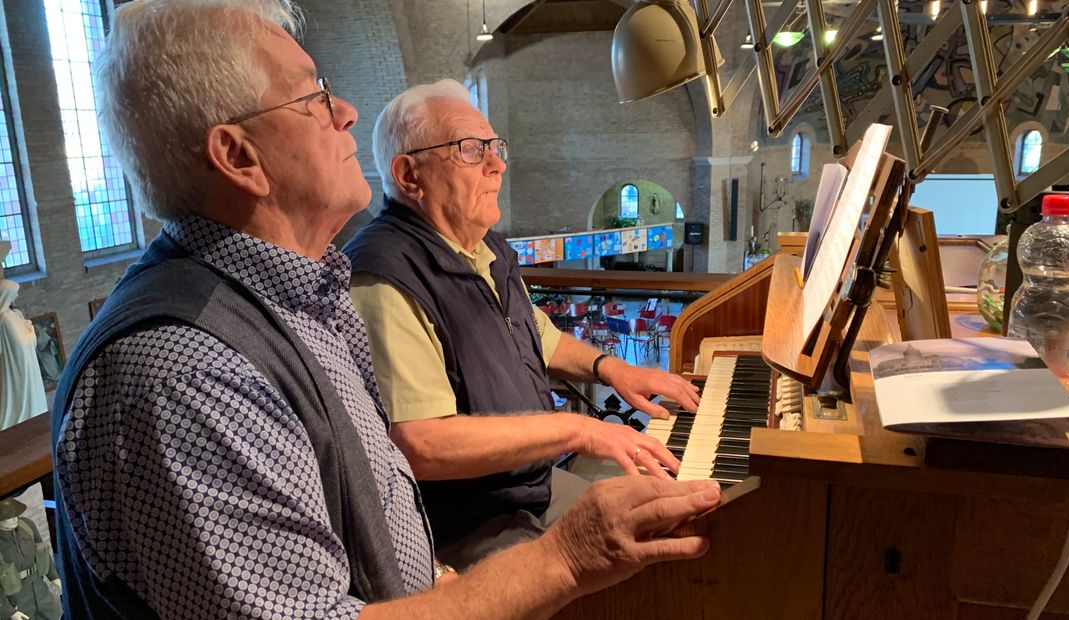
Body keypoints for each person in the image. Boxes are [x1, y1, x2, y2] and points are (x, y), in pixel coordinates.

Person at [50, 1, 723, 618]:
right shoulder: (190, 375)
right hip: (487, 516)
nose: (345, 109)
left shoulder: (300, 296)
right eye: (312, 96)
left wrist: (437, 579)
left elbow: (372, 501)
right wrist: (565, 557)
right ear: (237, 155)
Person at [343, 79, 703, 568]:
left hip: (527, 486)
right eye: (470, 150)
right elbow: (421, 443)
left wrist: (613, 369)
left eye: (494, 148)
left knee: (671, 517)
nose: (497, 164)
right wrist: (577, 430)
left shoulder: (484, 250)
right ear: (409, 175)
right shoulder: (384, 276)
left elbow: (539, 335)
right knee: (638, 565)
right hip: (465, 521)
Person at [0, 497, 61, 620]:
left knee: (56, 614)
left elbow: (42, 552)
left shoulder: (27, 525)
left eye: (16, 515)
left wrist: (54, 577)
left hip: (40, 588)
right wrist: (9, 612)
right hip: (16, 599)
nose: (14, 519)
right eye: (8, 517)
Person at [0, 281, 48, 430]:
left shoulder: (11, 314)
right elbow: (21, 344)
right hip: (20, 367)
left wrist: (27, 327)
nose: (17, 295)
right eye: (14, 292)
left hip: (27, 363)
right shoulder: (5, 319)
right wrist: (31, 330)